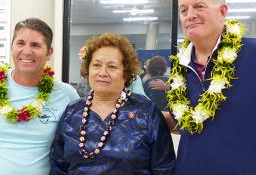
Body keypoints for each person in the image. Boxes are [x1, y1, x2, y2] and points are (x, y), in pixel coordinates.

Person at [50, 32, 175, 174]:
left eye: (112, 67)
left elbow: (164, 168)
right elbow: (58, 166)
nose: (102, 72)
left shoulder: (146, 113)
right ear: (87, 69)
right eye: (96, 65)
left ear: (126, 73)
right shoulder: (72, 112)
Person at [167, 0, 256, 174]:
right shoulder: (179, 69)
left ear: (222, 11)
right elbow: (185, 123)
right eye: (184, 10)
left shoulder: (252, 54)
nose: (190, 15)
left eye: (199, 6)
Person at [0, 18, 79, 175]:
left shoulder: (66, 94)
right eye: (20, 43)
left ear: (49, 53)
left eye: (35, 45)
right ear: (12, 48)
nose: (27, 51)